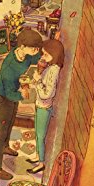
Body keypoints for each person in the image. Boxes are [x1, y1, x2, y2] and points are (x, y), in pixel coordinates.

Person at [0, 29, 43, 180]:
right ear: (22, 46)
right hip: (5, 97)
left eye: (37, 48)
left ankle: (5, 147)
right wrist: (22, 95)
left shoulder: (26, 54)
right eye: (34, 49)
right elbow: (8, 93)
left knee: (11, 122)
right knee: (1, 131)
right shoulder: (9, 68)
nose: (36, 51)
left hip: (13, 92)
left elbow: (38, 57)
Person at [26, 38, 65, 175]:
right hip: (40, 104)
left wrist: (37, 82)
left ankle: (41, 163)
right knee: (37, 133)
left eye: (46, 54)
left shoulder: (54, 70)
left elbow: (47, 94)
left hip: (44, 107)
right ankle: (38, 156)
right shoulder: (49, 67)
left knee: (41, 136)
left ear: (54, 55)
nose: (43, 57)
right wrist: (37, 78)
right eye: (43, 54)